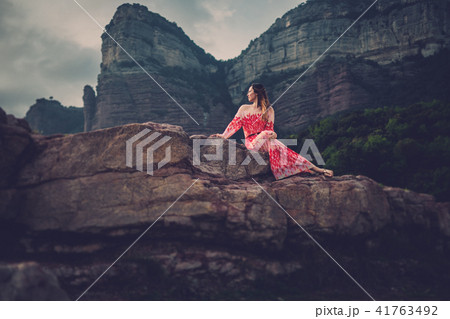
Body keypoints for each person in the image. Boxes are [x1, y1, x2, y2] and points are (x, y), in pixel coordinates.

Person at [209, 83, 334, 180]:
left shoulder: (269, 110)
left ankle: (315, 169)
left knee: (277, 145)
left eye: (250, 91)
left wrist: (274, 134)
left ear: (256, 93)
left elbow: (271, 131)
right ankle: (308, 169)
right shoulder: (244, 109)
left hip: (264, 141)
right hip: (251, 142)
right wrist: (223, 136)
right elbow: (234, 124)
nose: (247, 94)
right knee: (267, 136)